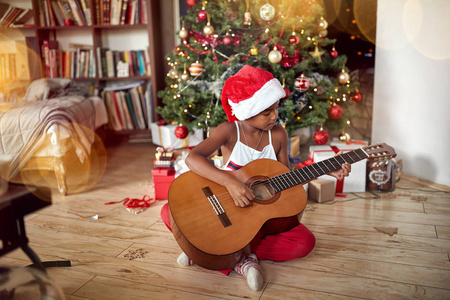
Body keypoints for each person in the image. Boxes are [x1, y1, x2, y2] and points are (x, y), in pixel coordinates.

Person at [160, 65, 351, 291]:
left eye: (276, 108)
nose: (275, 116)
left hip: (256, 222)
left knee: (305, 243)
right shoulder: (228, 131)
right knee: (168, 211)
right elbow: (193, 159)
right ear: (247, 109)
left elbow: (286, 177)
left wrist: (323, 169)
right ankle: (234, 256)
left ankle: (214, 251)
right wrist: (230, 182)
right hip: (225, 204)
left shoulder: (279, 135)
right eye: (266, 111)